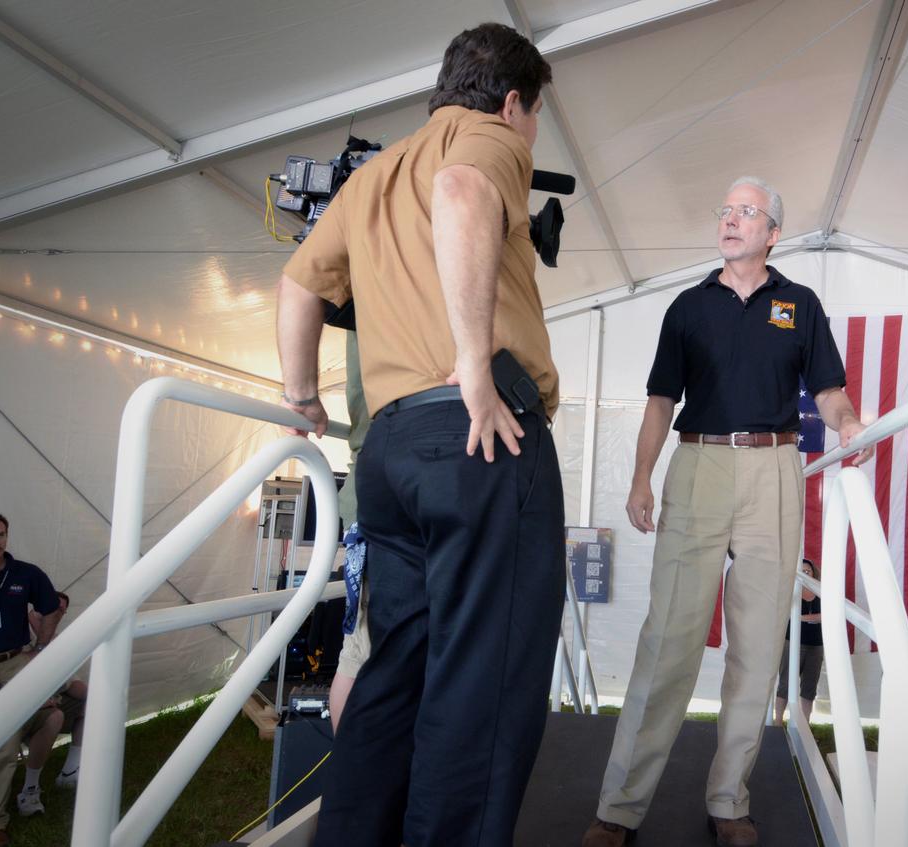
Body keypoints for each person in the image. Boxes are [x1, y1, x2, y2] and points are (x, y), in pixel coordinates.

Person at [275, 22, 565, 847]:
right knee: (486, 682)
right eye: (534, 116)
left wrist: (302, 394)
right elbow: (465, 195)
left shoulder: (371, 178)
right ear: (513, 102)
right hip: (477, 435)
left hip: (391, 448)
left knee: (393, 676)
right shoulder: (488, 139)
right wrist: (475, 363)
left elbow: (298, 284)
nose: (530, 132)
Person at [582, 177, 872, 847]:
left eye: (747, 212)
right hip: (698, 463)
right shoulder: (688, 306)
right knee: (667, 639)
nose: (731, 219)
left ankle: (728, 801)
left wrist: (850, 424)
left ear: (772, 232)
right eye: (725, 210)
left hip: (774, 467)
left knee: (758, 640)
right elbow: (660, 399)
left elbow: (828, 390)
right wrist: (639, 478)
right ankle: (617, 808)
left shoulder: (799, 304)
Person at [0, 513, 63, 838]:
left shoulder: (25, 573)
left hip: (13, 661)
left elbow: (52, 607)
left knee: (8, 744)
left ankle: (2, 819)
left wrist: (40, 646)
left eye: (0, 534)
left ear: (7, 537)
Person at [328, 331, 370, 733]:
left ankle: (353, 774)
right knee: (359, 651)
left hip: (373, 483)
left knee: (360, 649)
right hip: (378, 491)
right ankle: (351, 774)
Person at [27, 591, 88, 788]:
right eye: (55, 607)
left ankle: (70, 770)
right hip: (23, 703)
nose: (59, 612)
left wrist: (92, 693)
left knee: (93, 702)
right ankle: (30, 788)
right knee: (54, 716)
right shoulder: (17, 633)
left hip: (52, 699)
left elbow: (70, 681)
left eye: (63, 610)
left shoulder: (58, 640)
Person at [774, 559, 823, 724]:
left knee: (809, 687)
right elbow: (784, 613)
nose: (804, 574)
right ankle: (778, 721)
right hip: (792, 643)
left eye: (807, 571)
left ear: (813, 573)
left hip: (816, 646)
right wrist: (808, 618)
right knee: (785, 683)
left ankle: (804, 724)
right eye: (801, 571)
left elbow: (826, 615)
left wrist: (800, 617)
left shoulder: (821, 590)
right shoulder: (790, 591)